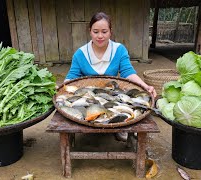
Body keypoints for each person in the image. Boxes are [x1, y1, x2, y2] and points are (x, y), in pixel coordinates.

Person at [64, 12, 157, 141]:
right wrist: (62, 87)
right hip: (90, 98)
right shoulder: (80, 54)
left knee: (128, 105)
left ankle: (119, 123)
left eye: (104, 31)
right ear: (90, 31)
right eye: (96, 32)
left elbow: (128, 72)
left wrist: (145, 86)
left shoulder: (119, 50)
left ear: (110, 32)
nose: (100, 36)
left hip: (113, 95)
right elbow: (72, 76)